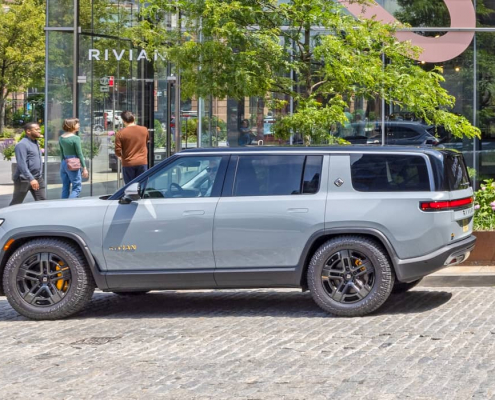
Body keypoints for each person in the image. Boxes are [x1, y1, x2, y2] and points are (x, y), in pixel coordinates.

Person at [10, 122, 46, 205]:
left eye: (39, 129)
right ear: (28, 131)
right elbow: (21, 164)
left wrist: (37, 177)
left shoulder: (35, 142)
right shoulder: (22, 145)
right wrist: (31, 179)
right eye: (36, 129)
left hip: (38, 178)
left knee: (43, 202)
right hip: (24, 179)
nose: (39, 131)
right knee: (16, 203)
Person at [115, 111, 149, 184]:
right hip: (142, 161)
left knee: (130, 186)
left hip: (128, 163)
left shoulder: (120, 133)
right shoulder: (144, 130)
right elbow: (146, 141)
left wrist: (121, 157)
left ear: (123, 121)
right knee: (142, 185)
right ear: (134, 118)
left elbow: (117, 150)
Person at [59, 118, 88, 199]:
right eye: (77, 124)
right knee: (77, 187)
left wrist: (63, 164)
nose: (79, 125)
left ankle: (62, 204)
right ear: (71, 125)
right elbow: (79, 153)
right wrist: (84, 168)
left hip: (64, 163)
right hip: (73, 163)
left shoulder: (61, 137)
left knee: (65, 187)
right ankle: (71, 204)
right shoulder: (75, 138)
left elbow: (61, 153)